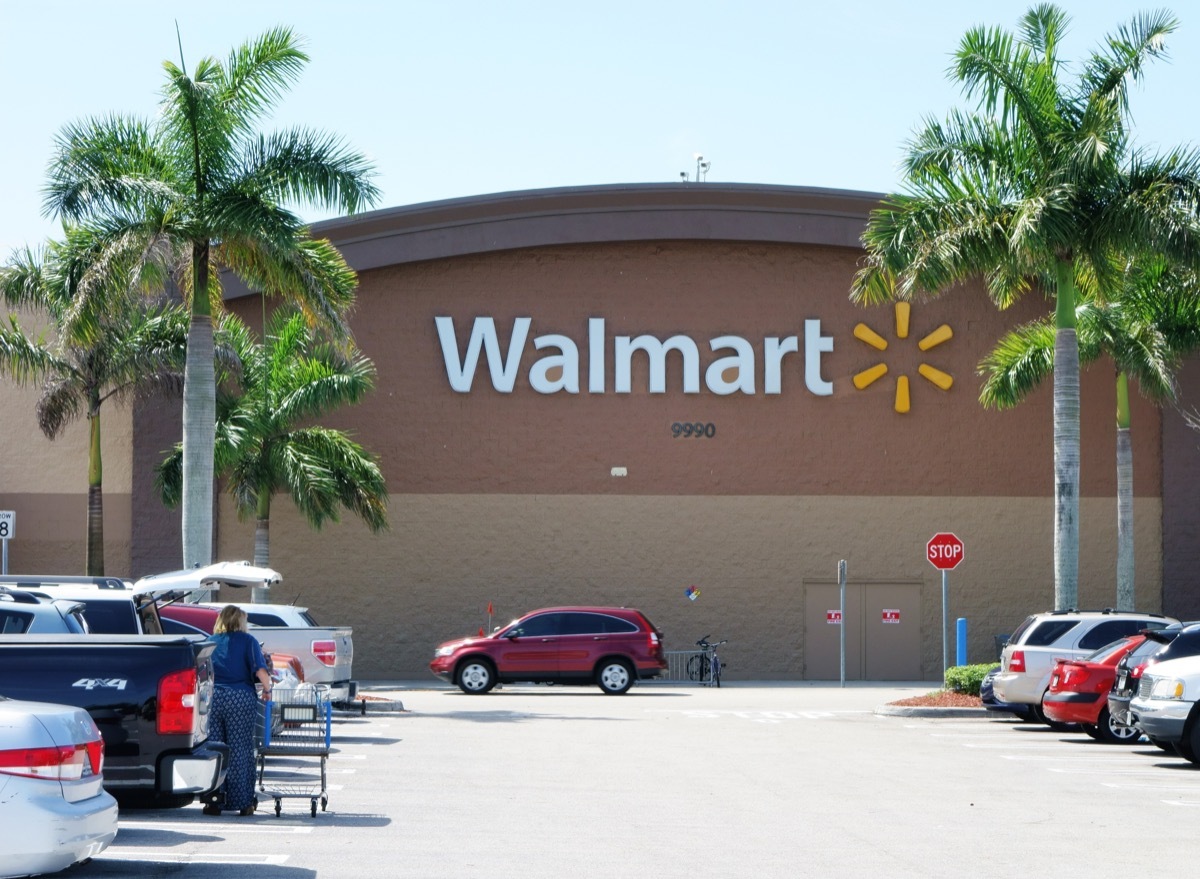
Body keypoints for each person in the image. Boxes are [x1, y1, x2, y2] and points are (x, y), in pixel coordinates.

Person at [203, 605, 272, 816]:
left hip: (213, 698)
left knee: (215, 748)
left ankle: (214, 801)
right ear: (240, 621)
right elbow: (260, 670)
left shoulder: (210, 641)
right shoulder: (248, 641)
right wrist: (268, 689)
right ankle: (243, 802)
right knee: (240, 748)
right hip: (240, 697)